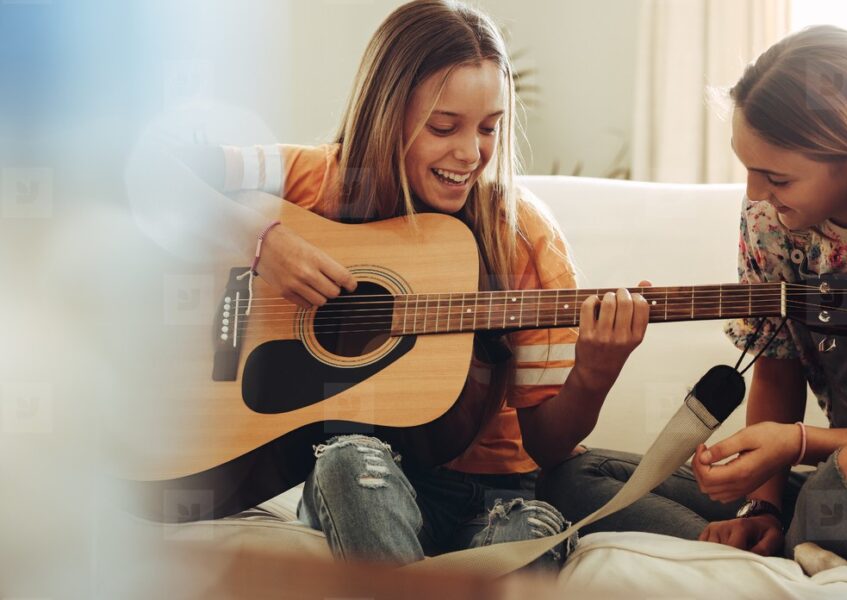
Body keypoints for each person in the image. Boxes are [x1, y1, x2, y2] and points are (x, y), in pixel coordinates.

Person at [140, 0, 649, 567]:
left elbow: (547, 446)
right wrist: (263, 241)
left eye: (489, 127)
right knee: (346, 463)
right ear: (387, 113)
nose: (471, 153)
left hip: (500, 497)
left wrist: (595, 374)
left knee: (533, 533)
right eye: (443, 126)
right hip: (364, 472)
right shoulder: (323, 180)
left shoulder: (521, 236)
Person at [537, 25, 847, 564]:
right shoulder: (772, 221)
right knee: (580, 475)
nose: (754, 193)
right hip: (833, 480)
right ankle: (766, 548)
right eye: (747, 168)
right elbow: (776, 369)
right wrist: (760, 505)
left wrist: (798, 442)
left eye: (776, 178)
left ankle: (787, 542)